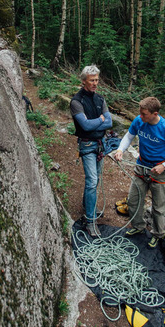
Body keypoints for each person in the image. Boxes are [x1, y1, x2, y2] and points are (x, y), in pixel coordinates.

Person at [112, 97, 165, 248]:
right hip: (141, 167)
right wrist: (120, 149)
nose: (140, 116)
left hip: (159, 171)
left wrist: (164, 166)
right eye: (140, 113)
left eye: (144, 114)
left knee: (158, 208)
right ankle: (138, 226)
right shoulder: (139, 121)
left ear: (155, 114)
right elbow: (129, 136)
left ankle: (158, 235)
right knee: (133, 201)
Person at [70, 65, 113, 237]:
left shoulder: (100, 99)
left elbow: (109, 122)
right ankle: (90, 220)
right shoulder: (76, 102)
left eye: (96, 80)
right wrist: (101, 120)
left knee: (94, 180)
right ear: (83, 81)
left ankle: (87, 205)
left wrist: (98, 121)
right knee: (92, 181)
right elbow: (85, 126)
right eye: (92, 80)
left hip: (100, 144)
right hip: (87, 145)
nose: (95, 83)